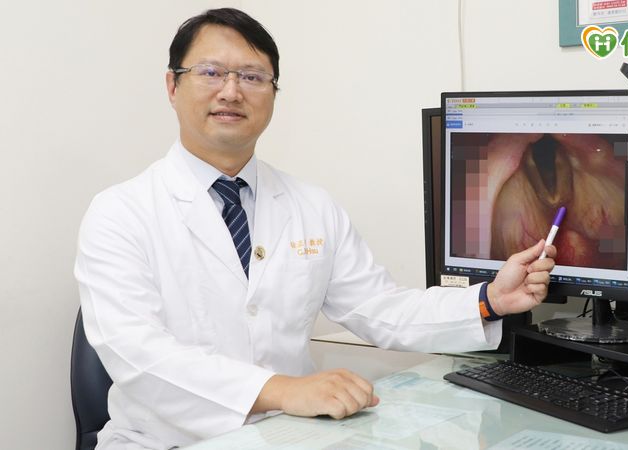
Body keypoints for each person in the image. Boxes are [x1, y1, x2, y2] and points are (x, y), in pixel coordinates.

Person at [74, 8, 556, 450]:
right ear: (172, 86)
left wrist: (489, 300)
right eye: (211, 72)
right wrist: (282, 389)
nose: (231, 91)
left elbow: (379, 308)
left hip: (287, 435)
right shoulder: (120, 213)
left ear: (273, 94)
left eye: (252, 76)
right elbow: (138, 355)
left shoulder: (311, 205)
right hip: (164, 442)